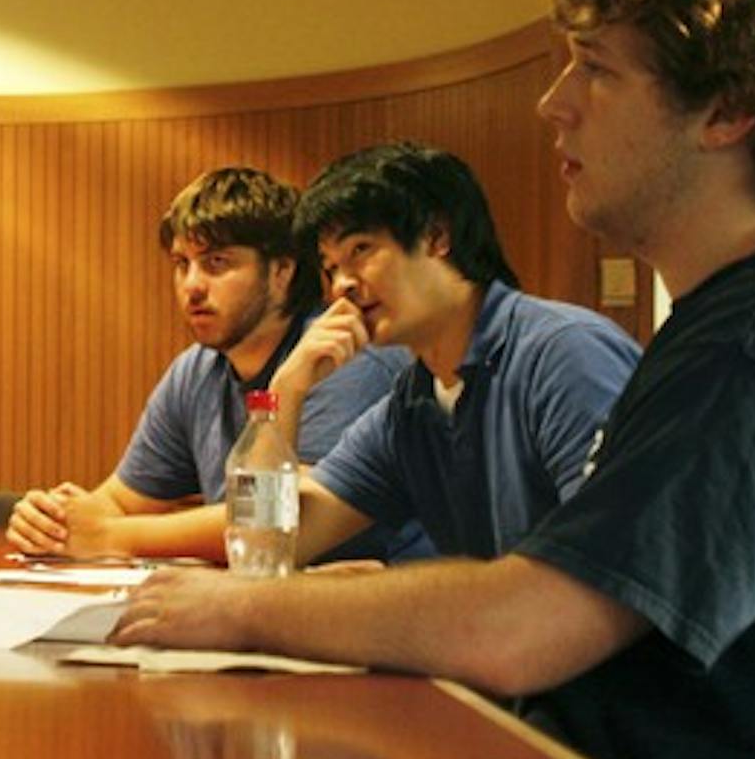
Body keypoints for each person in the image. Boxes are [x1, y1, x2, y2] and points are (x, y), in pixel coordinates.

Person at [113, 0, 755, 759]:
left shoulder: (718, 344)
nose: (553, 102)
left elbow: (529, 621)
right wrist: (282, 399)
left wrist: (246, 606)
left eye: (597, 69)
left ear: (726, 110)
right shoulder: (420, 393)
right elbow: (273, 536)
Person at [6, 166, 431, 564]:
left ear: (282, 271)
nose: (191, 286)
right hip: (278, 597)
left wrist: (111, 535)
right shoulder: (196, 370)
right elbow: (119, 501)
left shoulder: (341, 355)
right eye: (181, 264)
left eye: (216, 263)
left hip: (386, 601)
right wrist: (51, 522)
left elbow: (280, 521)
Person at [264, 142, 639, 563]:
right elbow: (271, 545)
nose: (341, 285)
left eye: (360, 250)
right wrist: (283, 393)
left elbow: (611, 565)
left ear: (437, 237)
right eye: (331, 267)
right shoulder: (411, 405)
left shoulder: (565, 355)